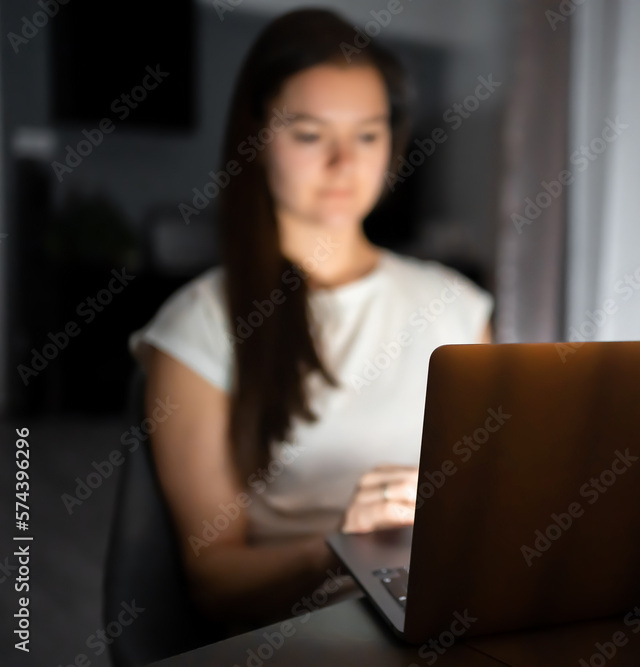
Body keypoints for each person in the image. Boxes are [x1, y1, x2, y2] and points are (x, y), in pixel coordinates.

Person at [127, 8, 493, 631]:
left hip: (455, 609)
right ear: (256, 141)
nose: (343, 162)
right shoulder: (198, 327)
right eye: (308, 134)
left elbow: (492, 488)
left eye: (368, 135)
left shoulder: (457, 305)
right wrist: (340, 548)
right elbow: (214, 582)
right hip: (314, 632)